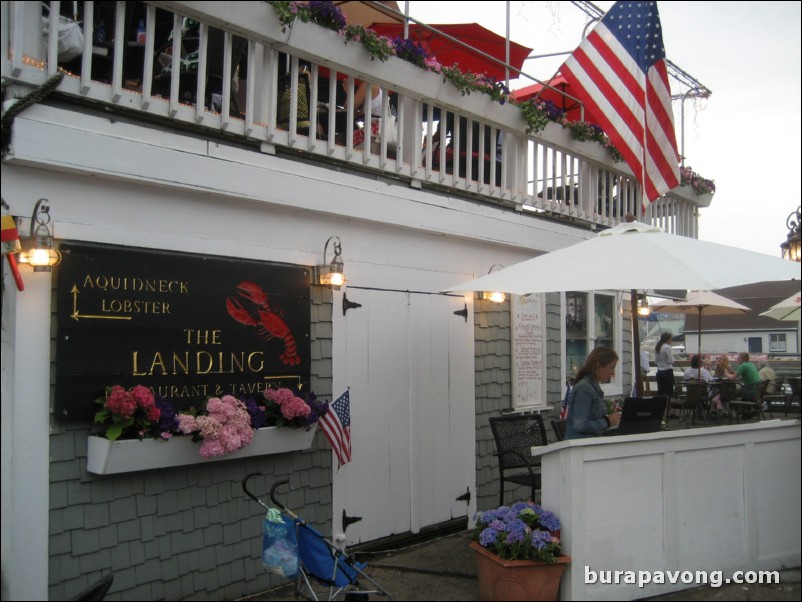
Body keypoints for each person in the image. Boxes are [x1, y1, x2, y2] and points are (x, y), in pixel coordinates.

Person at [565, 347, 620, 439]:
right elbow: (580, 425)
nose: (613, 373)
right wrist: (607, 421)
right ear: (598, 365)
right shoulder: (584, 389)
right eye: (611, 368)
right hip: (580, 447)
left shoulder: (593, 387)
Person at [654, 332, 675, 400]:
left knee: (660, 390)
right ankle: (668, 407)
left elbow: (656, 361)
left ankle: (660, 407)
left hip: (659, 371)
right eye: (671, 338)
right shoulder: (667, 347)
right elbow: (671, 361)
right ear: (667, 339)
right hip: (667, 371)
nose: (671, 340)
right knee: (669, 391)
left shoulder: (658, 347)